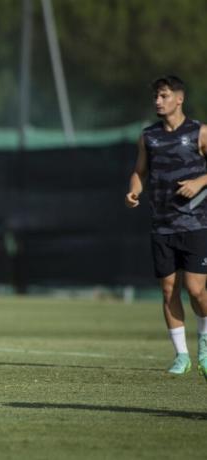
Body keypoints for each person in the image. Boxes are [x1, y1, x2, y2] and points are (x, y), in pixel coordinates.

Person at [126, 75, 207, 380]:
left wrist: (200, 181)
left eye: (163, 96)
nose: (157, 101)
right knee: (168, 289)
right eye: (156, 97)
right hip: (162, 225)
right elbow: (139, 171)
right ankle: (181, 356)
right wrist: (133, 190)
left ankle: (204, 343)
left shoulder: (199, 132)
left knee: (196, 290)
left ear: (179, 99)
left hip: (197, 223)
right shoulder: (149, 136)